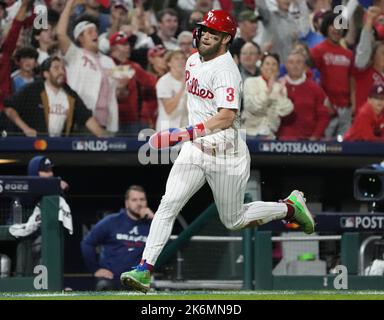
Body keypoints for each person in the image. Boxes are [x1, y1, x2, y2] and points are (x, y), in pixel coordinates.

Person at [120, 10, 315, 293]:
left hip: (227, 155)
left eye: (214, 32)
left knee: (233, 220)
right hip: (195, 151)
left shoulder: (226, 70)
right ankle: (144, 270)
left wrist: (184, 132)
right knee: (167, 205)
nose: (207, 35)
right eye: (205, 30)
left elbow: (225, 116)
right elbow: (197, 105)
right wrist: (183, 133)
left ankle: (288, 208)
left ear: (226, 39)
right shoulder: (191, 59)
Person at [57, 0, 119, 134]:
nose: (95, 34)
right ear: (80, 38)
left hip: (107, 122)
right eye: (89, 32)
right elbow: (61, 33)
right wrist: (69, 4)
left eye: (96, 31)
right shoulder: (75, 55)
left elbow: (118, 92)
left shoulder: (109, 61)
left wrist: (123, 85)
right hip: (82, 121)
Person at [4, 56, 107, 137]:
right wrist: (26, 129)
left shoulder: (70, 94)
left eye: (62, 68)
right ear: (46, 74)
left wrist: (105, 139)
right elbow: (9, 108)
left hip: (59, 147)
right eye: (56, 68)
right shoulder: (31, 90)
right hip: (33, 145)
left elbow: (86, 117)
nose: (61, 72)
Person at [81, 185, 154, 290]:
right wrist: (96, 269)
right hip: (111, 279)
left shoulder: (152, 225)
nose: (139, 203)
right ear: (127, 203)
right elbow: (87, 243)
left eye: (142, 199)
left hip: (137, 280)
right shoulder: (112, 221)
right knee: (104, 286)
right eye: (134, 200)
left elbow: (166, 246)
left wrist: (155, 220)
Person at [278, 50, 329, 140]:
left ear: (304, 66)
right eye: (291, 62)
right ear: (286, 66)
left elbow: (323, 116)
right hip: (281, 140)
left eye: (299, 62)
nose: (295, 66)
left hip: (308, 140)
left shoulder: (315, 89)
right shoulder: (278, 86)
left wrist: (315, 136)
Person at [242, 52, 293, 139]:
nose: (270, 67)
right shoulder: (250, 82)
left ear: (278, 69)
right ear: (261, 67)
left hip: (269, 134)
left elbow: (285, 111)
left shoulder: (280, 87)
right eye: (267, 64)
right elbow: (252, 107)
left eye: (274, 64)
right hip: (249, 132)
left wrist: (280, 95)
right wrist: (268, 91)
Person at [155, 50, 188, 131]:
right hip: (167, 127)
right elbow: (169, 109)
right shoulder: (164, 82)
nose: (181, 61)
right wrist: (182, 87)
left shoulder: (191, 80)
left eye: (183, 58)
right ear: (169, 63)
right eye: (176, 59)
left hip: (185, 125)